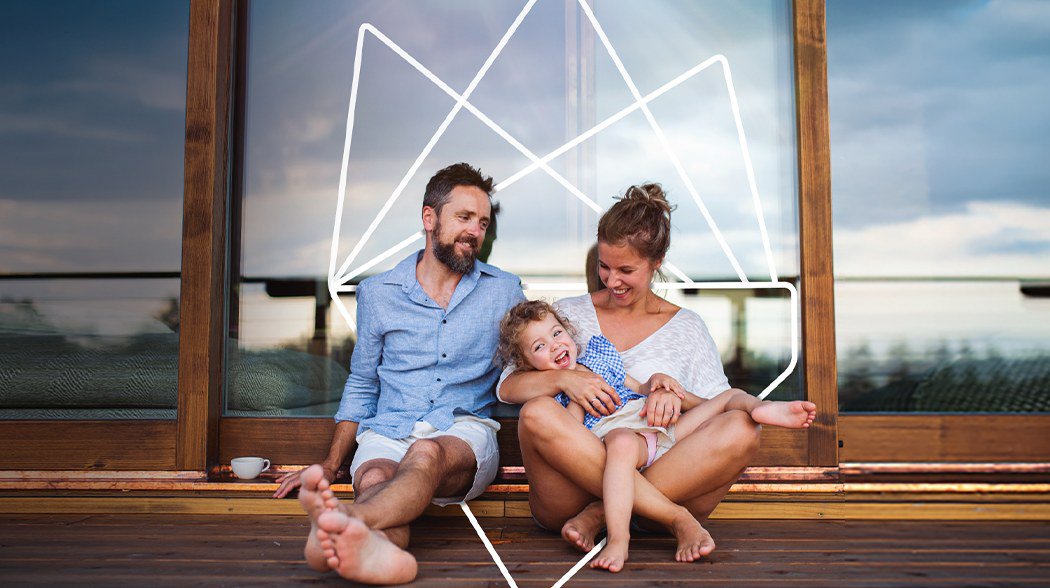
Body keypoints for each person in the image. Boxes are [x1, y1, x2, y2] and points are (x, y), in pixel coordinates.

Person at [497, 183, 817, 568]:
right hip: (568, 494)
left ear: (657, 261)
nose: (611, 280)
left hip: (655, 460)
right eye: (604, 266)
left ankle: (603, 513)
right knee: (536, 414)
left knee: (743, 428)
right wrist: (565, 380)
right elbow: (509, 387)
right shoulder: (567, 315)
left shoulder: (687, 328)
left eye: (626, 270)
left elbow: (708, 412)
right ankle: (671, 516)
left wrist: (671, 395)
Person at [272, 162, 525, 585]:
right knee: (373, 478)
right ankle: (379, 554)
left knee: (425, 454)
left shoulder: (504, 290)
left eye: (482, 222)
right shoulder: (378, 293)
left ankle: (342, 519)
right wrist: (333, 463)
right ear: (430, 218)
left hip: (462, 432)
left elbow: (525, 368)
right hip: (388, 428)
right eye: (463, 218)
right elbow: (362, 383)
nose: (474, 232)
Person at [497, 299, 816, 571]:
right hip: (620, 441)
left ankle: (761, 407)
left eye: (557, 333)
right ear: (525, 364)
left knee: (729, 401)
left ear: (568, 332)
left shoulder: (599, 358)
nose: (554, 345)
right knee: (620, 443)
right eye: (539, 346)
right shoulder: (546, 391)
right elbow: (571, 436)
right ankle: (628, 535)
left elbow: (638, 387)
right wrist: (573, 391)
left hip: (654, 427)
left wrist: (661, 384)